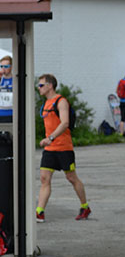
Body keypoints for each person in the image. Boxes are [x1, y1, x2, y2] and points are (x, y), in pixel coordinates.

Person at [35, 74, 90, 222]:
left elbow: (65, 123)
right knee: (44, 178)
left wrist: (50, 138)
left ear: (50, 86)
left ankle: (85, 206)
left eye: (41, 85)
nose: (39, 88)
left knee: (71, 177)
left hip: (64, 147)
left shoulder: (61, 101)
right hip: (50, 149)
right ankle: (39, 211)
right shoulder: (46, 103)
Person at [0, 55, 13, 125]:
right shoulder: (0, 79)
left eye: (6, 66)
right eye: (1, 66)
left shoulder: (15, 80)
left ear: (11, 67)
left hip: (11, 113)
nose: (3, 69)